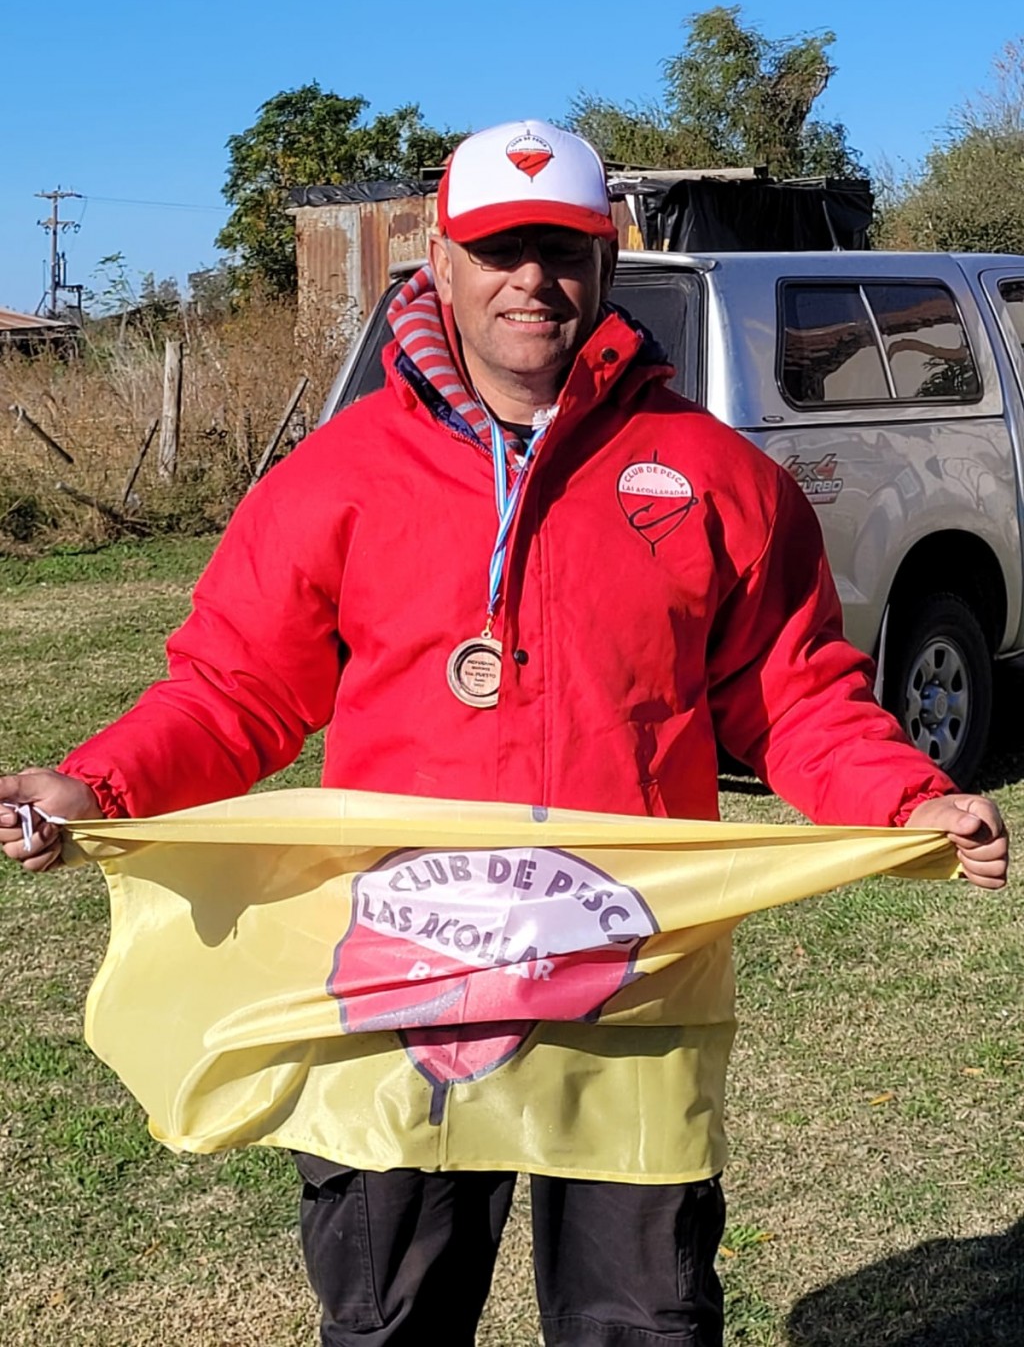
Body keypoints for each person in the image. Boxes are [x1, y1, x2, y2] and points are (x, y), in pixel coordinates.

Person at [0, 119, 1008, 1347]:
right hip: (402, 969)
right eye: (498, 250)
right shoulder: (336, 476)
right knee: (390, 1318)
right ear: (440, 259)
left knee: (641, 1322)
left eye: (563, 250)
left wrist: (906, 797)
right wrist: (100, 782)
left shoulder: (712, 476)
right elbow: (232, 690)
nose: (532, 280)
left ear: (605, 260)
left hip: (631, 967)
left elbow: (795, 696)